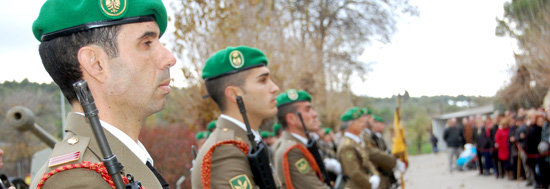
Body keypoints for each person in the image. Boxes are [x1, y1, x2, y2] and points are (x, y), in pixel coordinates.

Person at [30, 0, 175, 188]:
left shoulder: (121, 161)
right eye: (147, 43)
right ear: (96, 64)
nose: (169, 59)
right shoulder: (78, 179)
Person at [191, 46, 280, 188]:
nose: (275, 88)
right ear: (235, 95)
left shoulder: (245, 141)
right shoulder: (225, 151)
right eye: (263, 80)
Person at [272, 89, 331, 188]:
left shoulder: (300, 144)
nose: (314, 114)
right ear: (292, 119)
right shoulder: (292, 150)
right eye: (308, 110)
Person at [337, 107, 380, 189]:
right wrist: (370, 184)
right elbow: (354, 172)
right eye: (360, 122)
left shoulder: (357, 142)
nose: (363, 125)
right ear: (352, 125)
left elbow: (367, 161)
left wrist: (375, 175)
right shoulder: (347, 146)